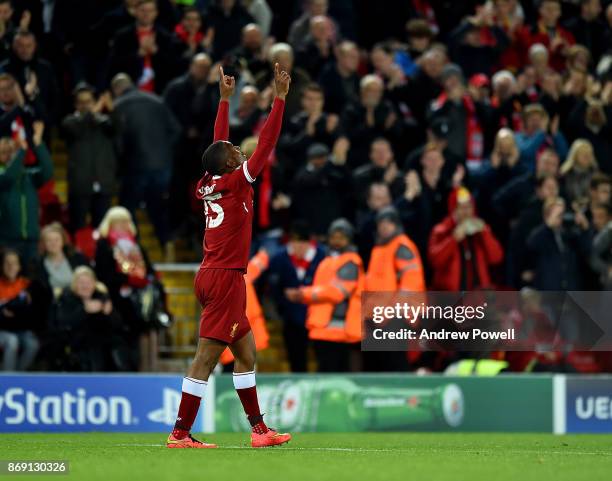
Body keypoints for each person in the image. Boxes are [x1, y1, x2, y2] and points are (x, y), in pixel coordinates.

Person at [167, 63, 292, 449]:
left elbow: (216, 146)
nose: (240, 149)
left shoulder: (209, 181)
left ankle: (259, 431)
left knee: (247, 353)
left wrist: (224, 101)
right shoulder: (238, 180)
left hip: (215, 274)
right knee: (205, 358)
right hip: (224, 276)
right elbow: (266, 144)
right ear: (231, 163)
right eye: (236, 150)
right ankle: (180, 432)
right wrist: (280, 100)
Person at [111, 73, 181, 255]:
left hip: (135, 166)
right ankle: (166, 242)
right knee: (157, 205)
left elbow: (118, 142)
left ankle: (135, 247)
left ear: (116, 90)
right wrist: (164, 151)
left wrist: (121, 164)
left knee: (128, 207)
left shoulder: (119, 106)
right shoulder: (157, 101)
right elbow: (176, 130)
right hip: (162, 165)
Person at [285, 218, 365, 372]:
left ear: (349, 239)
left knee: (337, 374)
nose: (336, 241)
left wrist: (303, 294)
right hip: (322, 329)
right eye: (334, 237)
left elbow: (337, 292)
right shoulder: (327, 261)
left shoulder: (351, 261)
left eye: (341, 237)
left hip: (340, 330)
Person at [94, 206, 160, 372]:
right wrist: (128, 280)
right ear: (110, 224)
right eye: (118, 222)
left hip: (140, 300)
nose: (122, 225)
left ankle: (150, 370)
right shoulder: (104, 245)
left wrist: (147, 280)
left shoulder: (137, 245)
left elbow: (149, 270)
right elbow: (103, 274)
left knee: (149, 330)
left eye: (125, 221)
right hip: (117, 299)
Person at [269, 220, 326, 373]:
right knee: (296, 360)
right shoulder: (279, 259)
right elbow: (272, 288)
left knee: (323, 360)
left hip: (318, 318)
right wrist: (283, 304)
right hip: (291, 319)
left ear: (310, 243)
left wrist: (308, 295)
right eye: (295, 243)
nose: (298, 247)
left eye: (302, 243)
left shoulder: (322, 257)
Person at [61, 83, 118, 232]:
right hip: (80, 187)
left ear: (94, 102)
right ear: (75, 104)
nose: (86, 106)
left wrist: (112, 110)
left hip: (103, 184)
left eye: (89, 102)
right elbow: (78, 128)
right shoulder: (70, 122)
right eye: (81, 102)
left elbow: (119, 128)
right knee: (78, 228)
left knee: (101, 230)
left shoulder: (104, 123)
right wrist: (92, 112)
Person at [48, 266, 123, 372]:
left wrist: (109, 313)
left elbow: (117, 325)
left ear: (94, 284)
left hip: (102, 342)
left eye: (88, 282)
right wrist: (84, 310)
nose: (85, 286)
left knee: (116, 345)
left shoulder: (101, 297)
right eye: (81, 282)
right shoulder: (65, 297)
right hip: (73, 342)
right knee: (91, 346)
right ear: (74, 284)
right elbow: (62, 324)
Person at [428, 187, 504, 290]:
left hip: (478, 297)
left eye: (469, 207)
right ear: (453, 209)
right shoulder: (442, 230)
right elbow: (435, 261)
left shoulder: (480, 230)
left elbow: (496, 258)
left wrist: (485, 234)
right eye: (462, 208)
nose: (466, 212)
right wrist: (453, 240)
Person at [0, 122, 52, 264]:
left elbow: (48, 171)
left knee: (32, 278)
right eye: (4, 152)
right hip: (7, 240)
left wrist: (38, 144)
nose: (10, 156)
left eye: (13, 151)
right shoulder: (2, 176)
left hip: (31, 240)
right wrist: (21, 152)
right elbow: (9, 177)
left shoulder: (29, 177)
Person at [290, 143, 349, 237]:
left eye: (325, 157)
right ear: (311, 159)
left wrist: (342, 165)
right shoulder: (303, 174)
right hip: (312, 225)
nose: (324, 161)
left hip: (331, 223)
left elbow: (346, 183)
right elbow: (312, 180)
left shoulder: (331, 171)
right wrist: (331, 162)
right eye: (321, 158)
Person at [0, 249, 39, 371]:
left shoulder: (26, 285)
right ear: (2, 265)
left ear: (20, 266)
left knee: (33, 344)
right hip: (2, 330)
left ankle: (17, 378)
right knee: (12, 341)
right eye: (7, 263)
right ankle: (7, 381)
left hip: (19, 328)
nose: (11, 267)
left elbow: (32, 313)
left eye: (14, 263)